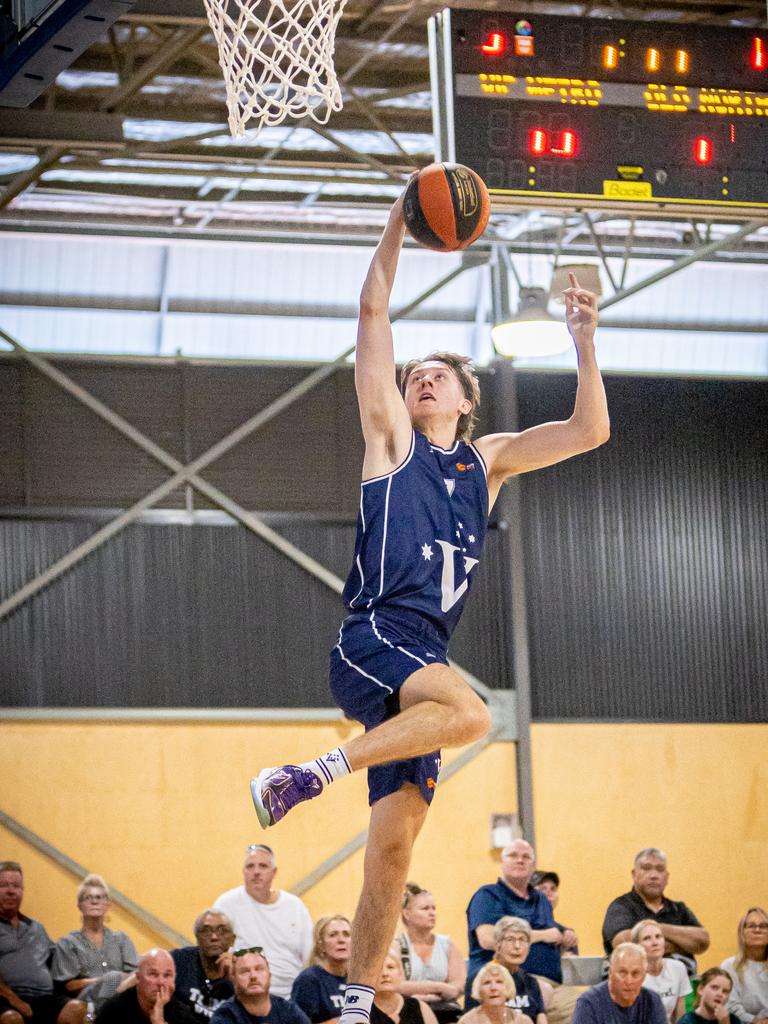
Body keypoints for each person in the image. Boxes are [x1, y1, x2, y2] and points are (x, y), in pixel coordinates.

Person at [249, 192, 609, 1024]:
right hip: (375, 633)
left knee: (393, 848)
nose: (420, 377)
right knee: (474, 714)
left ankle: (350, 1004)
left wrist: (584, 343)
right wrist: (398, 223)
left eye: (437, 375)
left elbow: (589, 431)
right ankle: (310, 774)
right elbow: (373, 309)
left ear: (466, 401)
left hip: (421, 661)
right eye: (416, 374)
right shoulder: (391, 441)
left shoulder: (488, 463)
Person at [466, 840, 577, 1024]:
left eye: (526, 857)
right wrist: (545, 935)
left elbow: (549, 926)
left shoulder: (540, 899)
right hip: (507, 981)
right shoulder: (488, 895)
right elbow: (487, 938)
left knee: (590, 1005)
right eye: (513, 856)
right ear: (502, 862)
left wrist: (564, 934)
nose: (520, 860)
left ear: (533, 865)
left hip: (552, 983)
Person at [213, 846, 312, 999]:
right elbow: (214, 953)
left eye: (263, 866)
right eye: (250, 866)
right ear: (243, 871)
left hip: (292, 997)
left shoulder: (295, 906)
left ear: (274, 872)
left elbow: (310, 957)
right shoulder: (226, 904)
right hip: (244, 996)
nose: (256, 871)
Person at [0, 861, 85, 1024]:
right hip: (6, 998)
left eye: (16, 886)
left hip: (43, 997)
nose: (11, 891)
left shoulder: (36, 927)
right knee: (12, 1019)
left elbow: (60, 960)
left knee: (77, 1008)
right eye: (4, 885)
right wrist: (16, 1001)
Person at [601, 850, 709, 976]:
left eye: (660, 869)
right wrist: (682, 944)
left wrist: (653, 930)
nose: (653, 875)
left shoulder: (678, 909)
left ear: (667, 877)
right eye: (646, 868)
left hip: (679, 988)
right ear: (634, 874)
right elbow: (623, 942)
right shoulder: (622, 906)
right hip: (635, 986)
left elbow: (702, 941)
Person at [52, 874, 138, 1014]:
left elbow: (136, 975)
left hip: (123, 998)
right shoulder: (68, 943)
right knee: (113, 977)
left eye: (99, 897)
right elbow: (69, 985)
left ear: (107, 904)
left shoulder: (121, 939)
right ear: (80, 905)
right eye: (88, 898)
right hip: (86, 1001)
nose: (94, 901)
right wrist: (105, 981)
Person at [396, 885, 465, 1023]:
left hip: (445, 1012)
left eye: (434, 908)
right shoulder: (396, 946)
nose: (432, 913)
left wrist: (424, 996)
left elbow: (459, 985)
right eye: (425, 909)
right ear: (407, 914)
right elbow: (398, 985)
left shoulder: (447, 944)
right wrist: (439, 987)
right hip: (408, 1014)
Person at [572, 944, 665, 1024]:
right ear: (610, 973)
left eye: (635, 974)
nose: (629, 981)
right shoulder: (588, 1003)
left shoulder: (652, 1000)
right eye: (623, 973)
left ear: (644, 977)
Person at [95, 950, 195, 1024]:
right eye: (153, 974)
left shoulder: (180, 1013)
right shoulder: (115, 1010)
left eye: (167, 975)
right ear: (138, 978)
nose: (161, 982)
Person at [209, 949, 309, 1024]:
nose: (253, 976)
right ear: (234, 980)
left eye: (259, 969)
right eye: (245, 971)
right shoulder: (225, 1017)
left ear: (269, 976)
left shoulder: (289, 1011)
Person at [170, 910, 235, 1020]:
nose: (214, 937)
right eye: (206, 931)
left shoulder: (243, 970)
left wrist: (236, 982)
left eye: (222, 931)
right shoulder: (178, 960)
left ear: (233, 939)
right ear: (197, 937)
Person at [291, 916, 350, 1024]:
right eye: (333, 935)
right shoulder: (308, 980)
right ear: (320, 945)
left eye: (346, 934)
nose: (341, 940)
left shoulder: (358, 979)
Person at [486, 918, 546, 1024]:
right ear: (497, 946)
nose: (517, 946)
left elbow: (541, 1019)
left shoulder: (531, 982)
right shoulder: (482, 980)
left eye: (522, 940)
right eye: (510, 939)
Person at [631, 921, 690, 1023]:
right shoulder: (631, 976)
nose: (655, 942)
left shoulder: (678, 968)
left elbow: (680, 1017)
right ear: (637, 946)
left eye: (658, 936)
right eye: (647, 938)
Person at [720, 908, 768, 1024]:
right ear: (742, 932)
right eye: (751, 926)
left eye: (763, 926)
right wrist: (754, 1021)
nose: (757, 930)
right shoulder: (729, 966)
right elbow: (730, 1005)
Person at [370, 950, 437, 1024]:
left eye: (390, 967)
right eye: (378, 968)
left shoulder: (420, 1007)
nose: (385, 973)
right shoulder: (362, 1010)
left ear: (400, 973)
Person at [457, 963, 532, 1024]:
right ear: (478, 990)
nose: (493, 988)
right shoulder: (467, 1021)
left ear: (508, 987)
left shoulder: (523, 1021)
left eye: (499, 982)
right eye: (487, 983)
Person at [530, 875, 577, 957]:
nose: (548, 893)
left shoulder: (565, 932)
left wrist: (563, 948)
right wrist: (543, 935)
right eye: (542, 888)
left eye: (553, 889)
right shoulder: (519, 922)